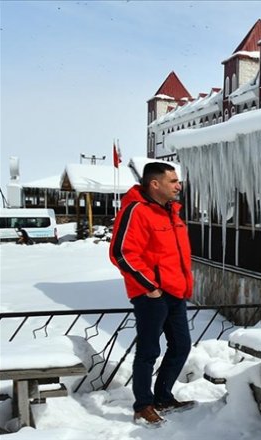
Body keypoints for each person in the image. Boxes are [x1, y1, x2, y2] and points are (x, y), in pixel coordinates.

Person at [109, 162, 194, 427]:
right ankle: (142, 405)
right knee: (148, 351)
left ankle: (163, 397)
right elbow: (121, 252)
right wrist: (150, 286)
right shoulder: (136, 210)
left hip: (176, 291)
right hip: (151, 295)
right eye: (173, 181)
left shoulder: (171, 212)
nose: (178, 186)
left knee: (181, 346)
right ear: (154, 184)